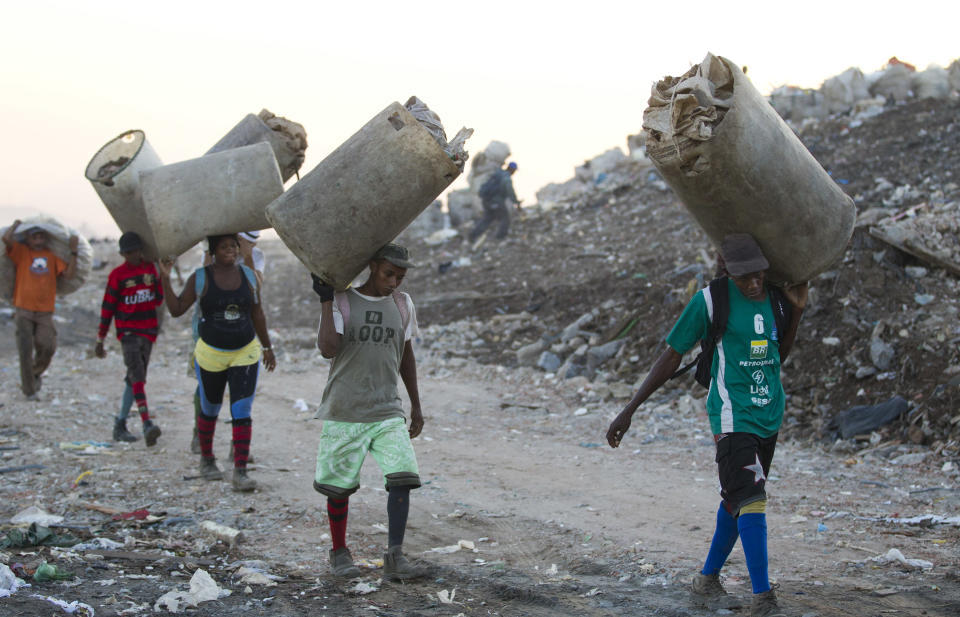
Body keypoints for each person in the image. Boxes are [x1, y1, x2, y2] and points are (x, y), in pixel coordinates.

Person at [605, 234, 808, 617]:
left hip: (769, 414)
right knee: (753, 498)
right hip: (732, 416)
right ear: (728, 271)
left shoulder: (776, 299)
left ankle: (706, 580)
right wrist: (629, 409)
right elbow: (670, 356)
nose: (753, 284)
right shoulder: (710, 302)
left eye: (759, 275)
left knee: (737, 497)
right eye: (745, 277)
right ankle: (763, 599)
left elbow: (778, 355)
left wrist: (796, 312)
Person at [311, 243, 425, 580]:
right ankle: (339, 552)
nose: (394, 283)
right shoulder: (344, 301)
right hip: (345, 408)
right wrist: (325, 299)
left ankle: (395, 556)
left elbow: (406, 355)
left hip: (386, 408)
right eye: (389, 274)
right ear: (373, 267)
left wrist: (416, 405)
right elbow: (328, 348)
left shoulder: (403, 305)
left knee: (403, 476)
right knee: (338, 487)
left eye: (400, 277)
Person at [157, 233, 276, 492]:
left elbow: (257, 313)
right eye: (224, 247)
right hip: (210, 354)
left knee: (242, 410)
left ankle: (240, 471)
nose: (231, 250)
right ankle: (207, 460)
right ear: (213, 250)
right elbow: (177, 309)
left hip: (245, 351)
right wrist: (165, 278)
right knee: (210, 409)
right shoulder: (200, 278)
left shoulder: (249, 276)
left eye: (234, 246)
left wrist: (267, 347)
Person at [189, 230, 266, 456]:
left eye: (253, 242)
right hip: (209, 329)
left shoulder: (256, 256)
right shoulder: (220, 248)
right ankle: (199, 433)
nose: (248, 244)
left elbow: (257, 288)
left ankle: (237, 447)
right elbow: (203, 281)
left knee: (241, 393)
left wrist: (248, 255)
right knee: (205, 386)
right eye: (246, 240)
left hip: (242, 330)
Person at [95, 232, 164, 446]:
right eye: (128, 252)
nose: (133, 255)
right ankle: (146, 424)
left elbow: (159, 298)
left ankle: (120, 424)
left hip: (148, 331)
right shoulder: (118, 275)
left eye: (135, 251)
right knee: (137, 377)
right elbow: (108, 308)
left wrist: (164, 276)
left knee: (133, 379)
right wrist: (101, 338)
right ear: (123, 254)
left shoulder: (151, 270)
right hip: (128, 333)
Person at [2, 219, 78, 400]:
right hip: (23, 309)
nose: (38, 239)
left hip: (45, 311)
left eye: (41, 236)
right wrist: (15, 225)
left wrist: (74, 251)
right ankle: (29, 391)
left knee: (48, 346)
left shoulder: (51, 256)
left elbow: (69, 274)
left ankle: (35, 372)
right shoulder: (21, 252)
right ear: (27, 239)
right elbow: (6, 239)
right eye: (34, 236)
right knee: (25, 350)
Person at [468, 161, 519, 243]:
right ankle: (500, 238)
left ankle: (473, 235)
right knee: (505, 218)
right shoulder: (506, 177)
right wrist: (516, 202)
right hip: (496, 201)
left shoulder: (498, 173)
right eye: (514, 170)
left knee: (487, 219)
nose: (514, 172)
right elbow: (510, 191)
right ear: (511, 169)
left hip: (487, 201)